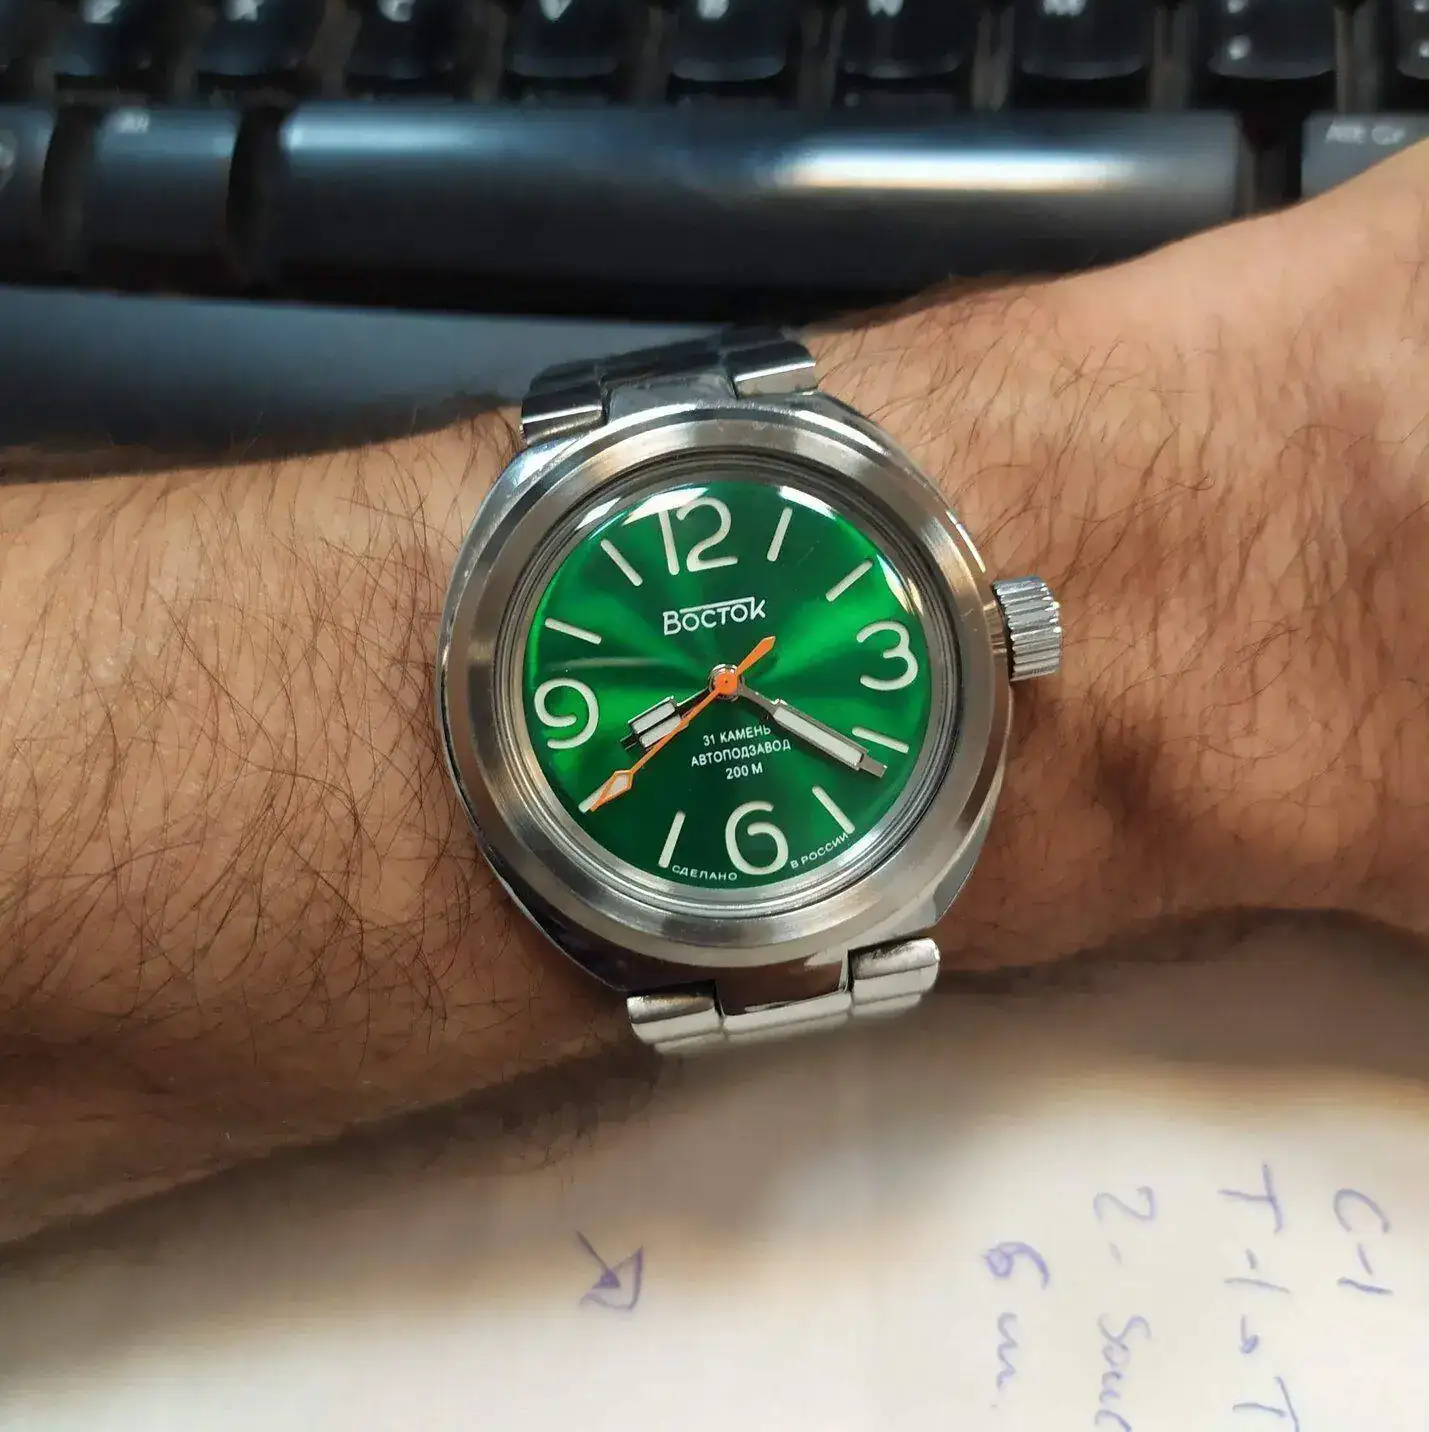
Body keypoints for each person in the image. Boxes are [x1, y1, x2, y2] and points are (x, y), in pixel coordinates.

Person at [5, 146, 1429, 1247]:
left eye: (742, 673)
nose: (732, 678)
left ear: (1007, 633)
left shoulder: (935, 653)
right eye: (717, 676)